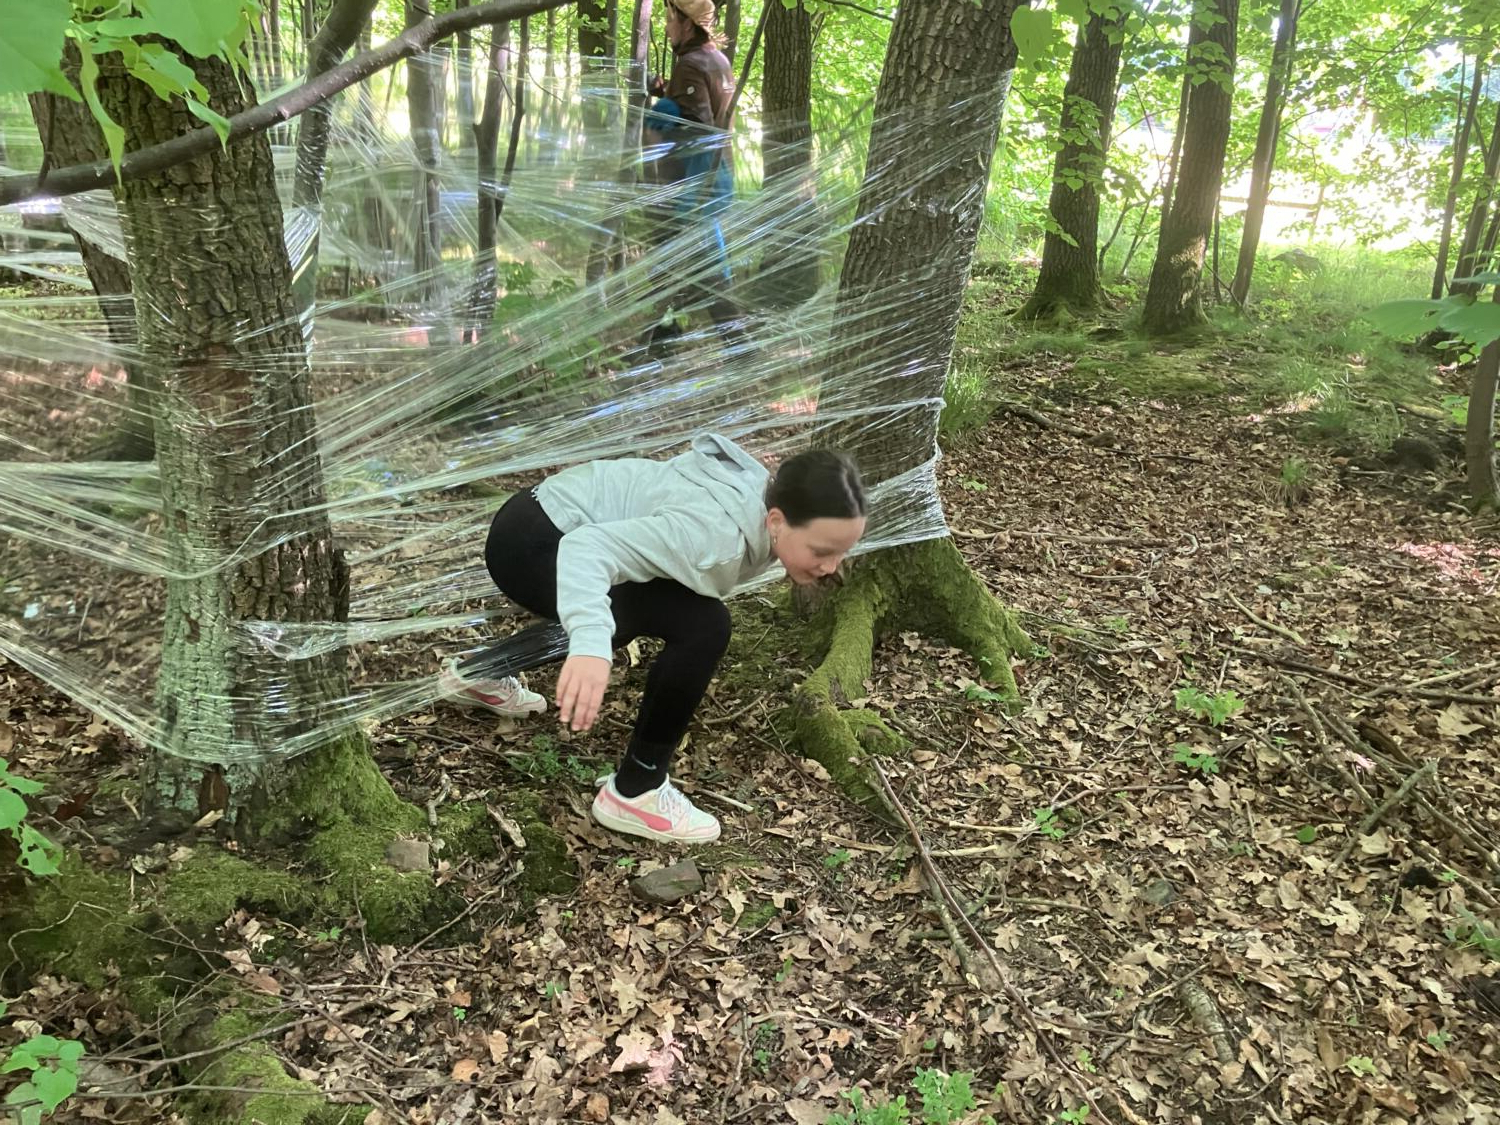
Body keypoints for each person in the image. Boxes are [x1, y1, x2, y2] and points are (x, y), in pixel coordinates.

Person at [442, 434, 867, 844]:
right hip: (536, 544)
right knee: (702, 626)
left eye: (841, 551)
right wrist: (590, 646)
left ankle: (478, 674)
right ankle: (636, 790)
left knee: (642, 611)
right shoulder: (714, 536)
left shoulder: (759, 504)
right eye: (821, 551)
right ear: (776, 521)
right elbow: (586, 549)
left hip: (538, 518)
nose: (832, 567)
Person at [641, 0, 740, 347]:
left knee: (703, 267)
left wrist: (664, 111)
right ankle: (663, 337)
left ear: (687, 24)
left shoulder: (691, 63)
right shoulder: (716, 59)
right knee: (675, 262)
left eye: (670, 19)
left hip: (693, 181)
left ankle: (739, 344)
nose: (667, 26)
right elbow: (702, 104)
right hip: (714, 174)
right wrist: (667, 93)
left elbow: (699, 126)